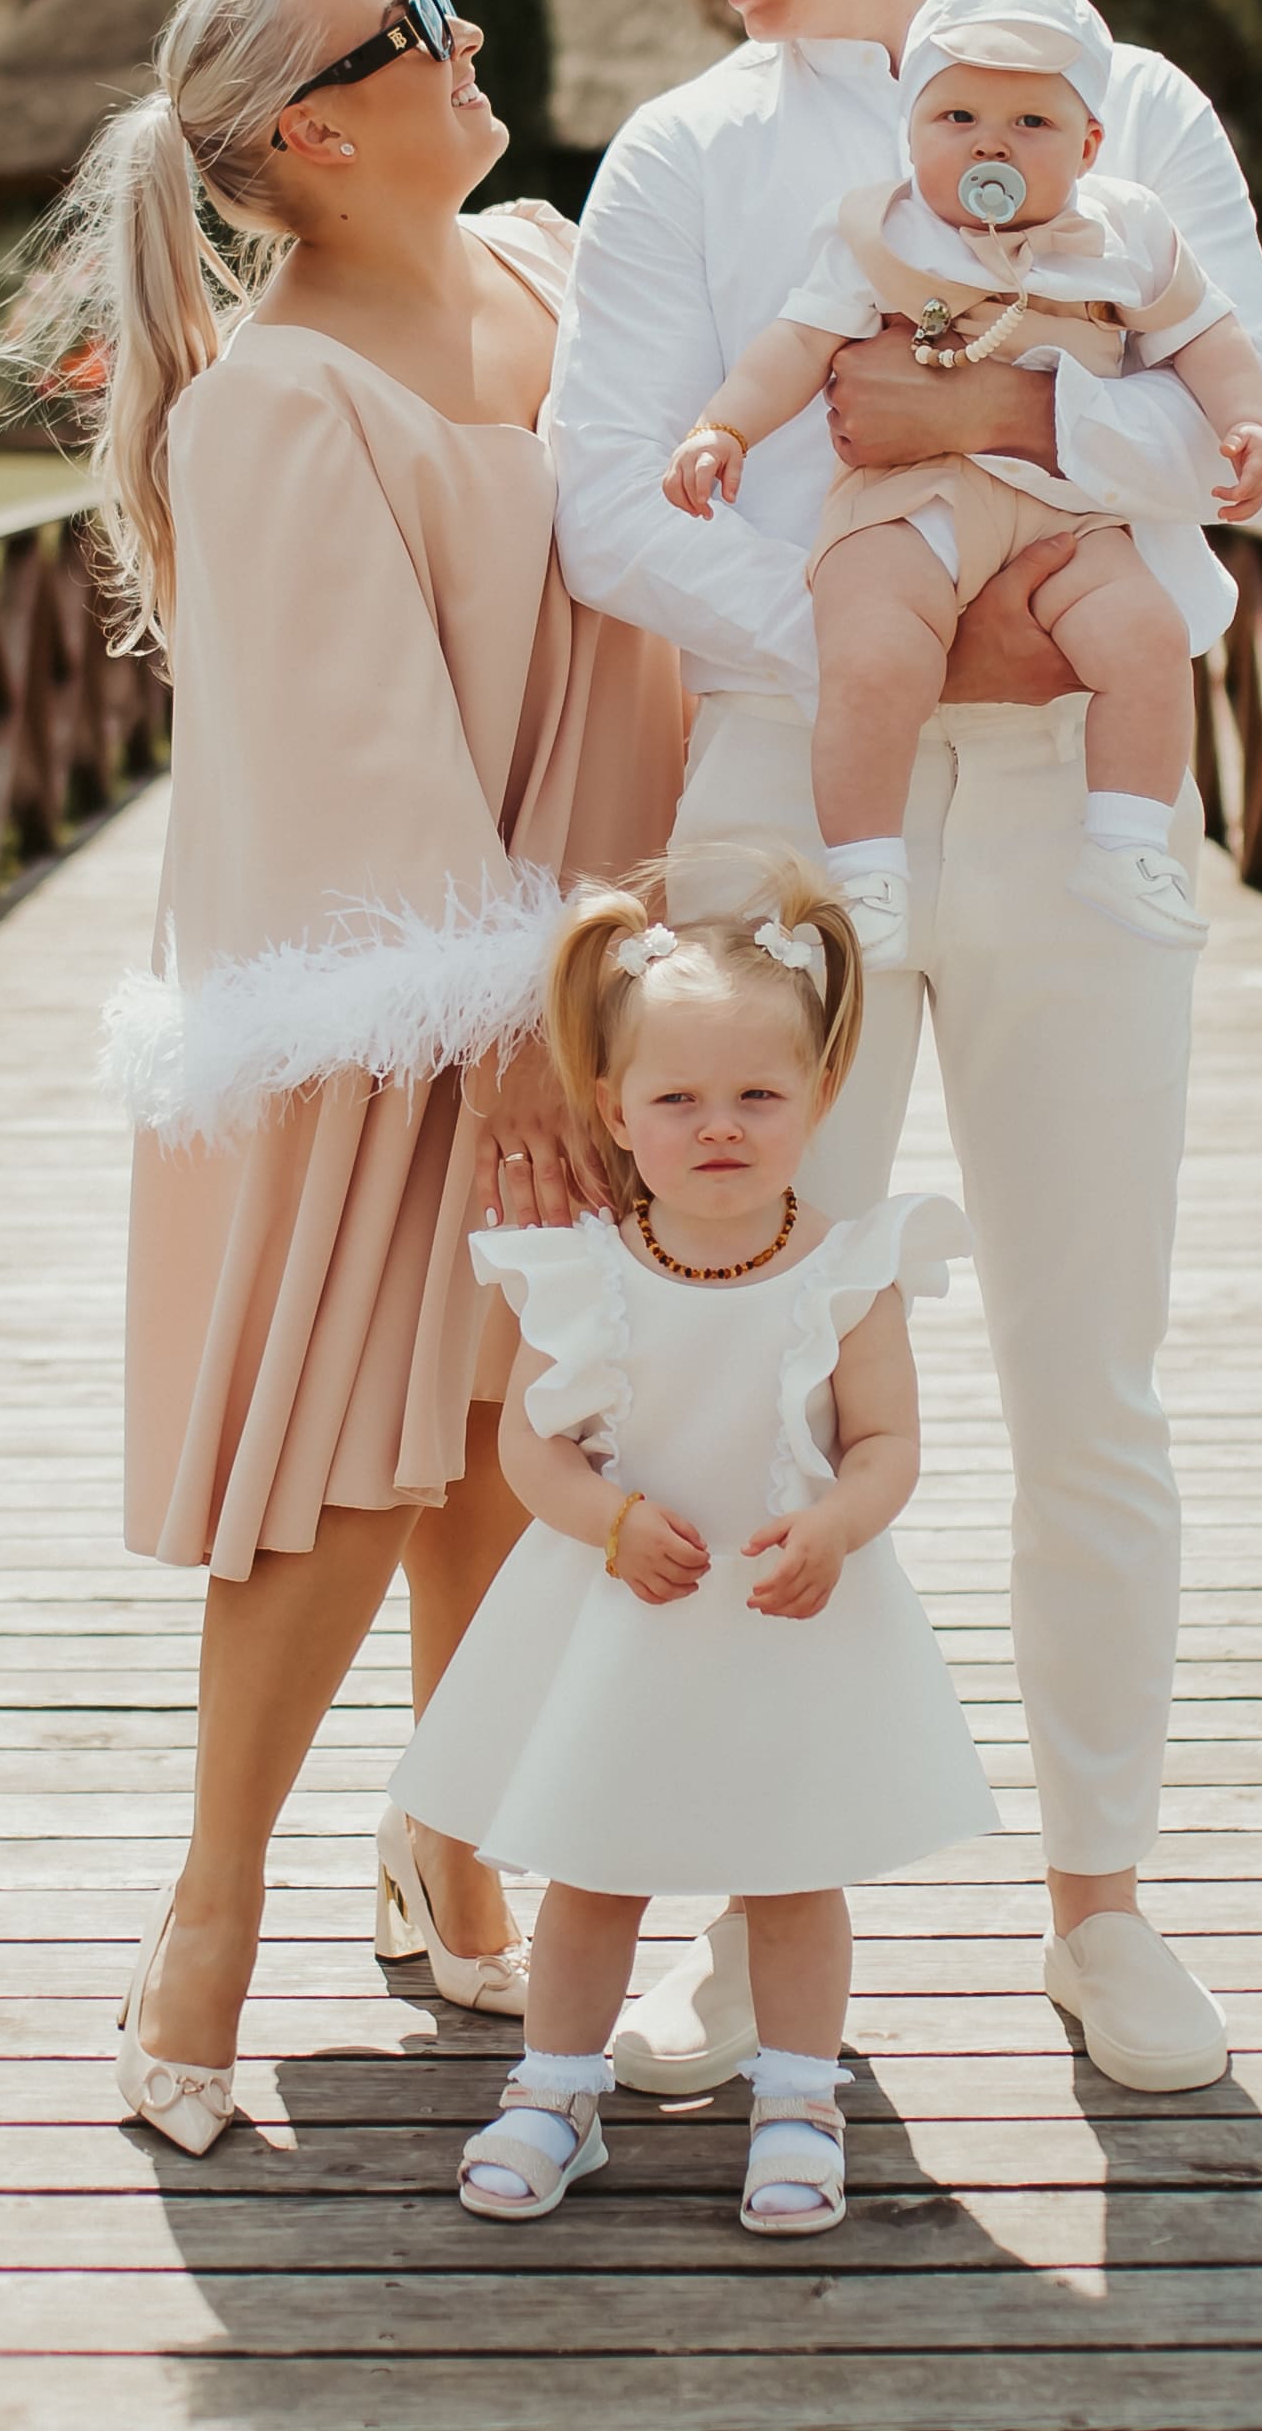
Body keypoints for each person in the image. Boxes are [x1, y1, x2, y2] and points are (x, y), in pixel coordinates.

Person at [554, 0, 1262, 2099]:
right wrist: (879, 634)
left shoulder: (1133, 107)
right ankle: (742, 1913)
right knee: (742, 1358)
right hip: (789, 807)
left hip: (1089, 793)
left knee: (1089, 1369)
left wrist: (1003, 423)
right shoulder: (682, 155)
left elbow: (1259, 435)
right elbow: (605, 496)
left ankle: (1101, 1906)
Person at [31, 0, 686, 2156]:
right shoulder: (271, 403)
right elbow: (349, 759)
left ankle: (450, 1833)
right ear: (311, 128)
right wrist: (504, 1031)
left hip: (599, 961)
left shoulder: (548, 262)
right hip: (404, 997)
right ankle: (209, 1911)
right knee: (342, 1454)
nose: (463, 27)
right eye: (415, 16)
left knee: (509, 1430)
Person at [389, 850, 991, 2237]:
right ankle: (556, 2088)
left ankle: (797, 2097)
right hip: (626, 1615)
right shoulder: (582, 1268)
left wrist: (835, 1521)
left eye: (756, 1097)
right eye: (676, 1100)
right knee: (594, 1865)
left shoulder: (848, 1270)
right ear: (614, 1107)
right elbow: (531, 1448)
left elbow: (885, 1442)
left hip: (783, 1615)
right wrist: (605, 1519)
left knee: (788, 1872)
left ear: (818, 1096)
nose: (718, 1127)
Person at [664, 0, 1262, 958]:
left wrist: (1242, 421)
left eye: (1031, 122)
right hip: (909, 504)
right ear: (911, 131)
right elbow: (796, 343)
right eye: (956, 117)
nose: (990, 142)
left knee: (1145, 637)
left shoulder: (1124, 233)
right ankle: (865, 869)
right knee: (870, 649)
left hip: (1067, 512)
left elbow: (1207, 336)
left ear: (1087, 143)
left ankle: (1126, 842)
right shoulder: (883, 231)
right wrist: (723, 427)